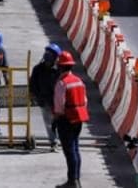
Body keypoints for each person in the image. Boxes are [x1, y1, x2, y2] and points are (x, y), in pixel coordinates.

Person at [53, 51, 90, 188]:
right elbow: (84, 101)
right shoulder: (79, 81)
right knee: (75, 148)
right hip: (78, 119)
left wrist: (55, 119)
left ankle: (72, 181)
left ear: (61, 67)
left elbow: (59, 105)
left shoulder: (62, 83)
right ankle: (76, 179)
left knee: (69, 151)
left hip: (66, 119)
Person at [29, 43, 62, 150]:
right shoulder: (38, 69)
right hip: (44, 100)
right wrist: (36, 96)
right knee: (49, 123)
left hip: (57, 101)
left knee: (58, 122)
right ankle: (53, 141)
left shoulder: (59, 70)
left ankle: (59, 139)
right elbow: (32, 85)